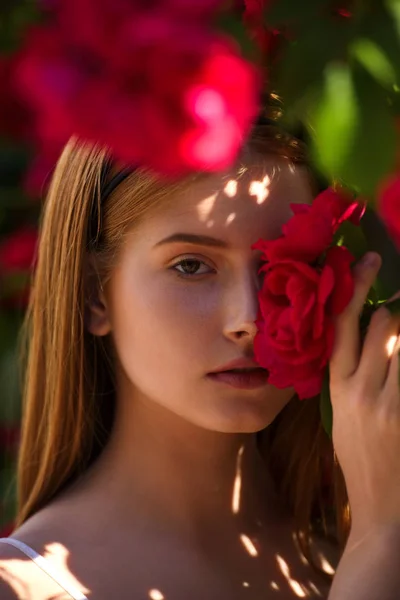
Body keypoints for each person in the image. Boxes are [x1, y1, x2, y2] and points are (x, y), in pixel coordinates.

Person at [0, 123, 399, 600]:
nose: (248, 319)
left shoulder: (352, 540)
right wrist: (377, 546)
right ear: (94, 296)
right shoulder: (22, 587)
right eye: (191, 266)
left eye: (288, 263)